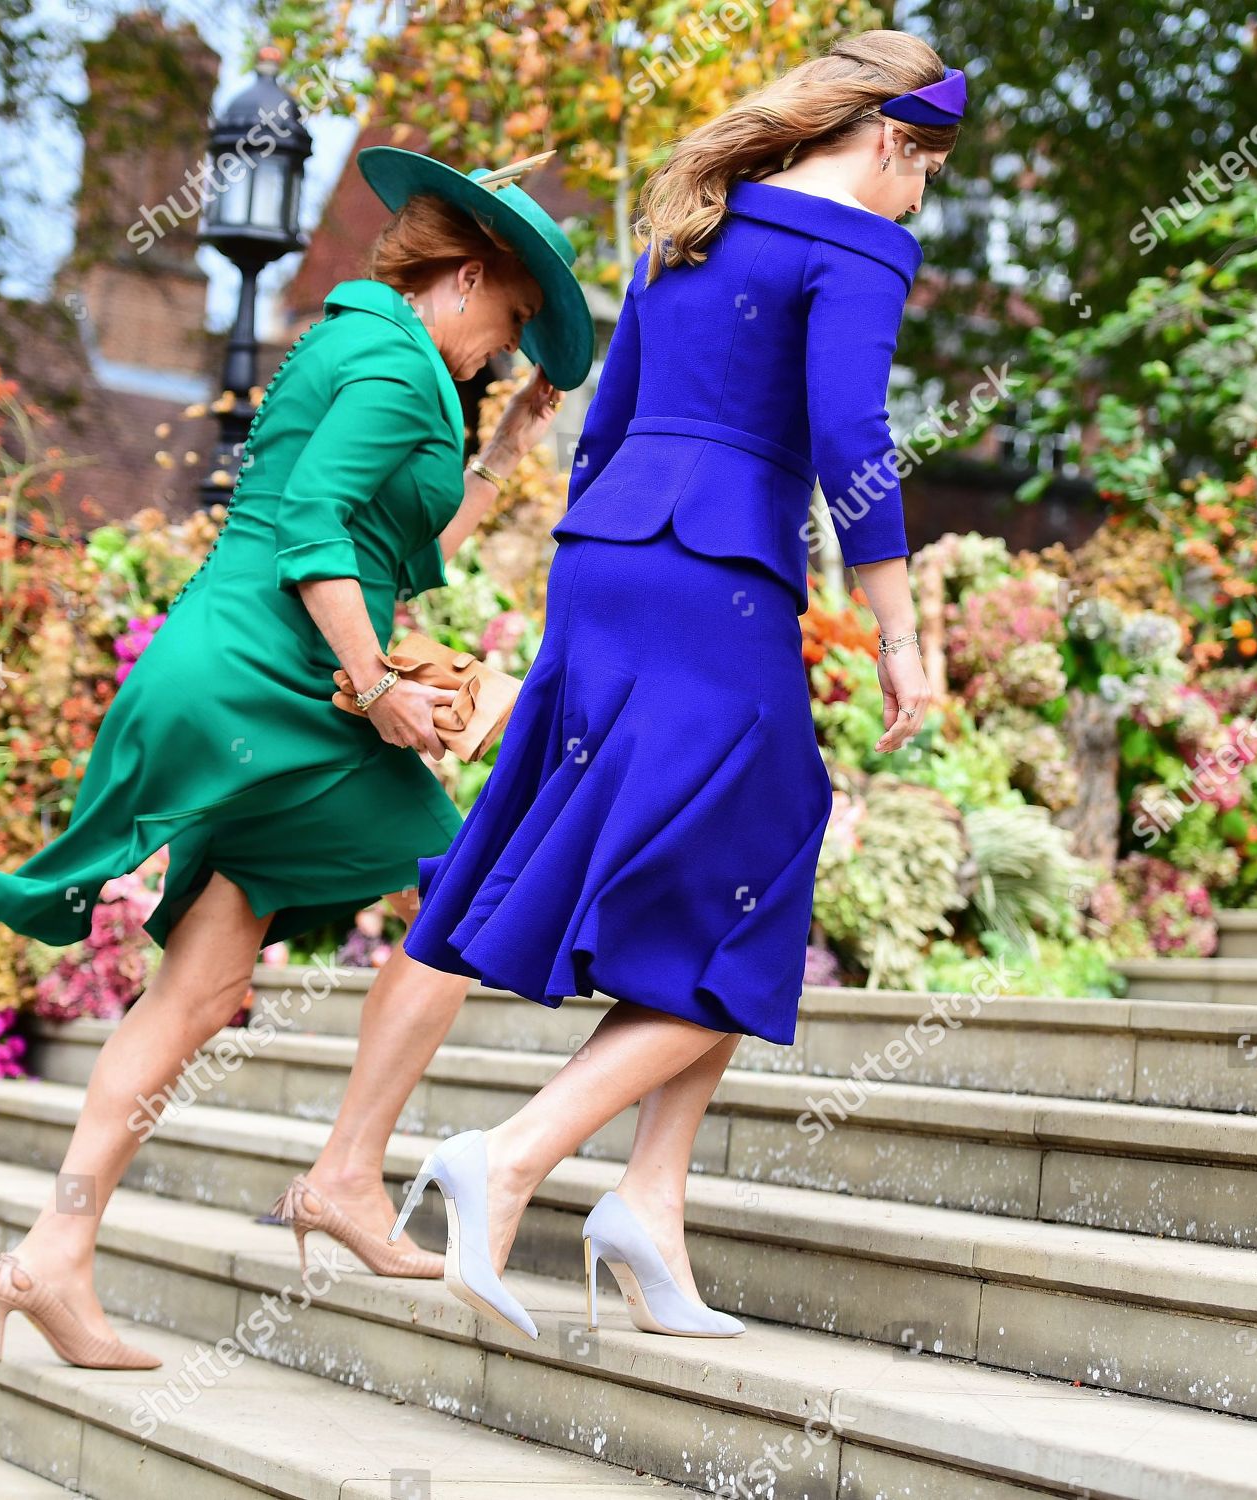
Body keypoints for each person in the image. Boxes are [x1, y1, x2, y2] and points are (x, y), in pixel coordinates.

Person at [0, 145, 596, 1368]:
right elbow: (310, 535)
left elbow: (377, 527)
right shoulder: (405, 368)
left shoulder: (356, 340)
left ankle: (55, 1250)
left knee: (191, 992)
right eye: (506, 326)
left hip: (226, 672)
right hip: (274, 680)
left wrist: (501, 450)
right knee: (460, 891)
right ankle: (348, 1176)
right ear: (462, 279)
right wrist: (377, 689)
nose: (500, 355)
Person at [381, 30, 964, 1340]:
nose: (918, 198)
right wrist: (900, 630)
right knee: (772, 849)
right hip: (718, 574)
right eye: (924, 170)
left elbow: (618, 419)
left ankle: (651, 1204)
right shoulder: (865, 244)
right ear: (886, 142)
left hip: (610, 562)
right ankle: (517, 1153)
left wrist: (583, 595)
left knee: (726, 867)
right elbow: (852, 440)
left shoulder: (687, 221)